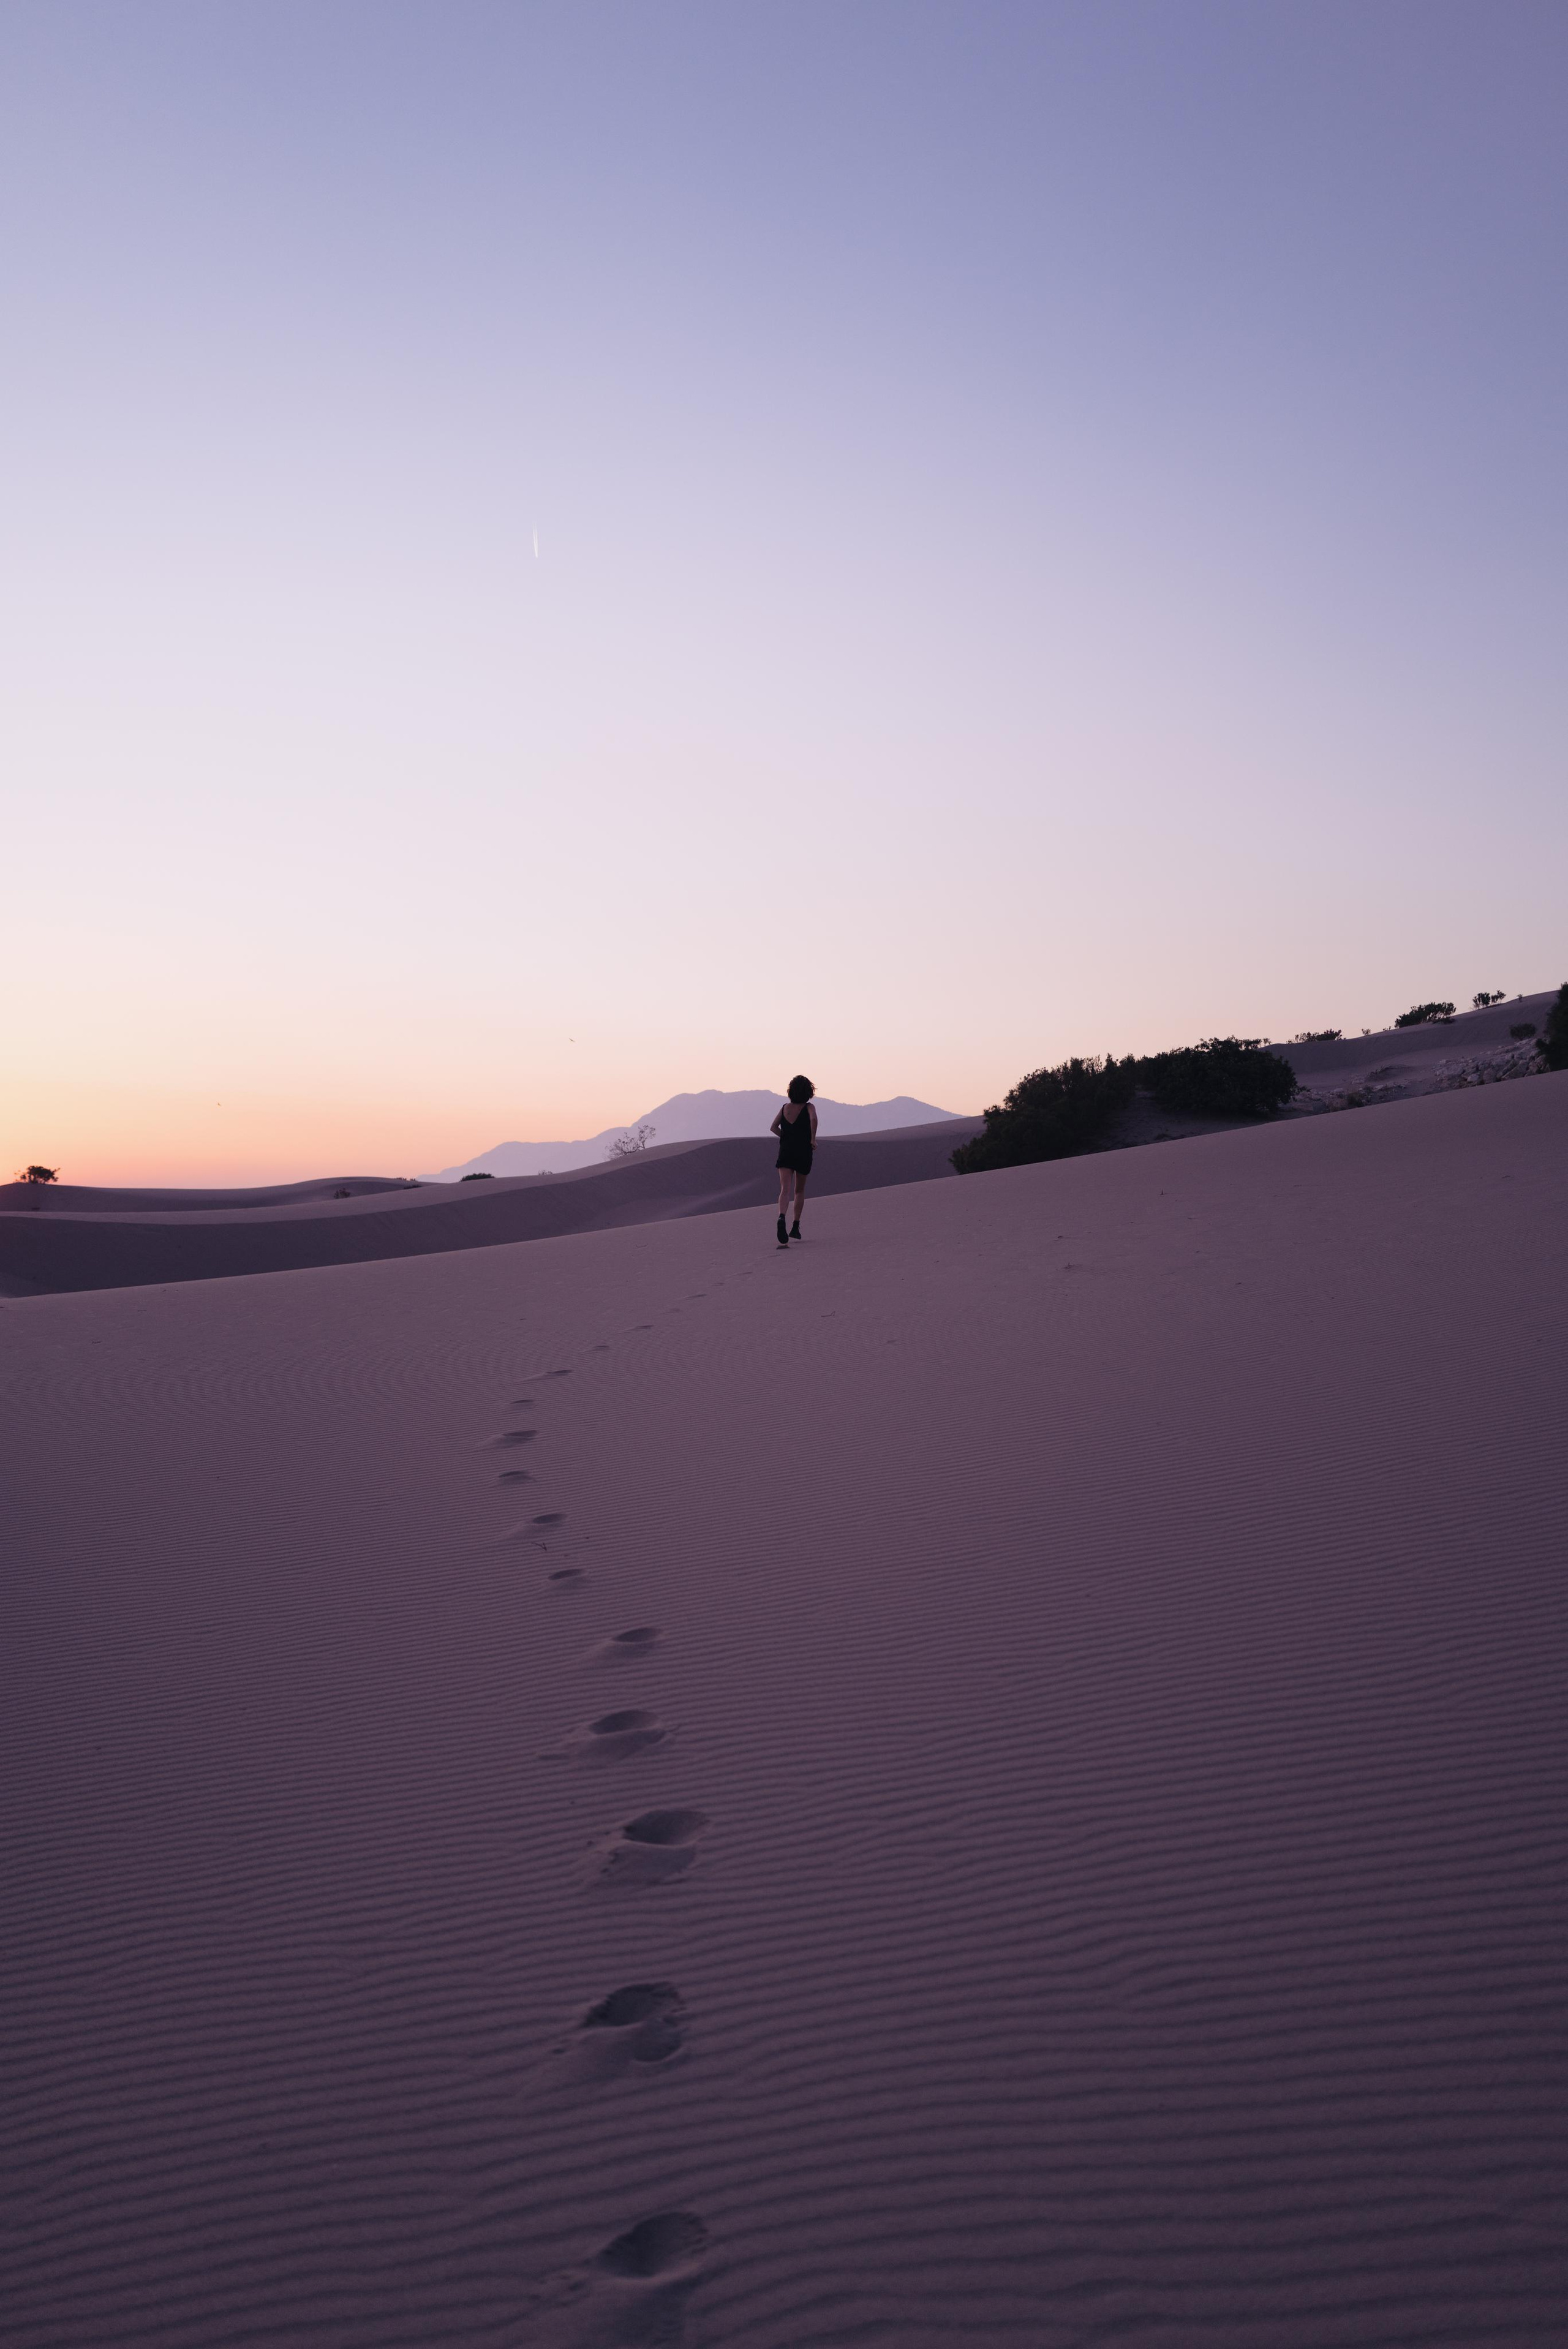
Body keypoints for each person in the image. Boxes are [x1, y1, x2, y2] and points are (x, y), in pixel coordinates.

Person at [770, 1076, 817, 1246]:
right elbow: (813, 1119)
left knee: (785, 1189)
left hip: (786, 1151)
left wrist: (787, 1137)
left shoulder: (785, 1108)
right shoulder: (809, 1107)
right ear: (808, 1091)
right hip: (803, 1151)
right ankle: (795, 1227)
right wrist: (812, 1139)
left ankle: (781, 1216)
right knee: (799, 1191)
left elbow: (773, 1127)